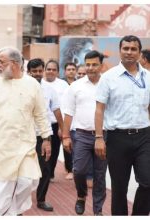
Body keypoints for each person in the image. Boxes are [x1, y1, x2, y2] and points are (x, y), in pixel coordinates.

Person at [0, 47, 52, 215]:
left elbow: (41, 114)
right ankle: (7, 214)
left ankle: (11, 211)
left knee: (27, 181)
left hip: (24, 145)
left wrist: (47, 138)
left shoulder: (32, 84)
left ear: (15, 64)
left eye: (1, 62)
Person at [95, 35, 150, 215]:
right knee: (119, 188)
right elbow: (99, 109)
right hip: (117, 138)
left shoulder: (148, 77)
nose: (129, 52)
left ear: (139, 53)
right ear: (120, 51)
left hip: (144, 136)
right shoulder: (108, 77)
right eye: (125, 48)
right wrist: (98, 138)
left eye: (133, 49)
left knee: (147, 181)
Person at [62, 50, 107, 216]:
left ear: (101, 66)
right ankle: (81, 195)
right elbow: (68, 112)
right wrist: (66, 136)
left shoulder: (108, 84)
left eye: (94, 64)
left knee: (100, 175)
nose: (90, 68)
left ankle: (98, 210)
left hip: (104, 136)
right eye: (87, 64)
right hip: (81, 135)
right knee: (79, 170)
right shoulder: (76, 86)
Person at [27, 58, 63, 212]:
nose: (37, 74)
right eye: (33, 71)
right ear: (28, 72)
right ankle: (18, 201)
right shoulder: (22, 87)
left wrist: (63, 129)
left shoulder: (49, 89)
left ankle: (41, 199)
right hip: (24, 135)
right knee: (22, 170)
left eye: (39, 71)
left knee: (45, 169)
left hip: (43, 136)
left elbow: (56, 110)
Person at [43, 60, 71, 181]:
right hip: (42, 124)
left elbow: (66, 105)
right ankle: (44, 173)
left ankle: (50, 174)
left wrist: (62, 126)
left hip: (57, 123)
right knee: (42, 150)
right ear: (45, 70)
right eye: (48, 69)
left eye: (54, 69)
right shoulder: (40, 84)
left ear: (58, 72)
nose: (51, 71)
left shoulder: (63, 85)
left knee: (54, 150)